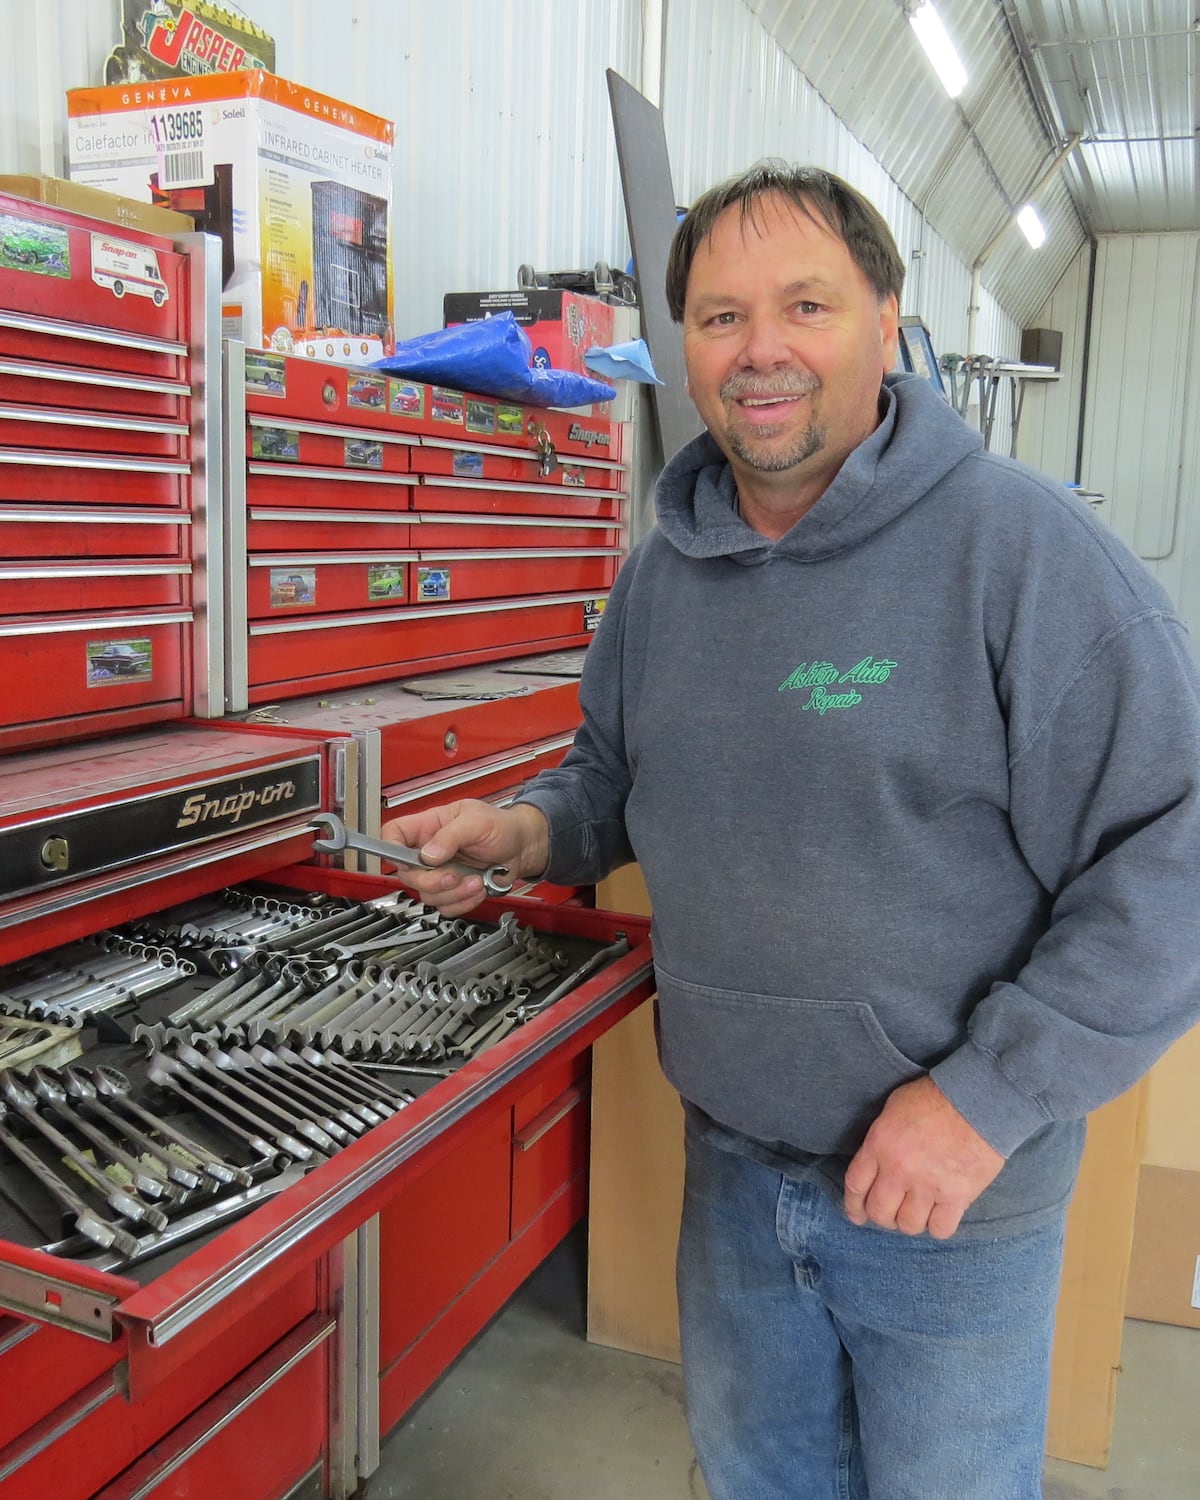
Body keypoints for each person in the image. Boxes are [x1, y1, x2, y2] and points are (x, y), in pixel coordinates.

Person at [381, 162, 1200, 1499]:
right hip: (735, 1164)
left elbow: (1173, 864)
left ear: (886, 322)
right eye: (720, 317)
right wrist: (529, 831)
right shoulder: (666, 571)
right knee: (755, 1480)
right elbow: (616, 774)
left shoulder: (1027, 557)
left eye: (805, 305)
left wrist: (983, 1103)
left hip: (948, 1194)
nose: (760, 350)